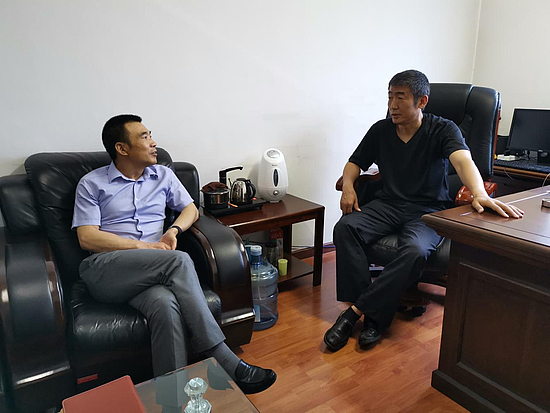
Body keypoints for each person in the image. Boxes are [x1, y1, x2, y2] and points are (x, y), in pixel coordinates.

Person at [72, 114, 276, 394]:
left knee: (165, 304)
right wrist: (145, 247)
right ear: (122, 148)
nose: (153, 142)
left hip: (151, 271)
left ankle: (171, 399)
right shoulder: (92, 183)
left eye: (150, 135)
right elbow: (87, 237)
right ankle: (223, 357)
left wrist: (174, 231)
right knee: (178, 260)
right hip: (106, 270)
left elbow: (191, 208)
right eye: (144, 137)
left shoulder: (163, 175)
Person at [324, 70, 524, 352]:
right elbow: (354, 163)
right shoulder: (381, 130)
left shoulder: (443, 129)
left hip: (427, 209)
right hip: (388, 204)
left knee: (415, 250)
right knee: (345, 228)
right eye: (390, 97)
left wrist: (479, 193)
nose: (392, 105)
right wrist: (348, 186)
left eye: (400, 98)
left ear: (422, 101)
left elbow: (463, 161)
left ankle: (356, 315)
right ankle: (372, 313)